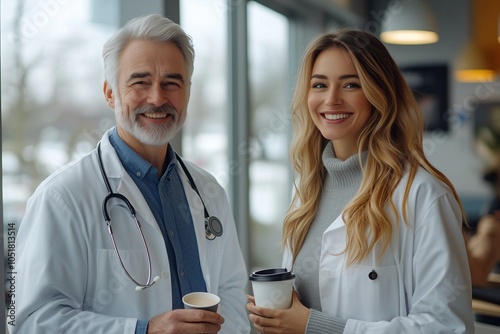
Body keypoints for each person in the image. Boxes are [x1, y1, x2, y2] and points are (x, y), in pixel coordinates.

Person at [11, 14, 250, 334]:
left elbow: (232, 293)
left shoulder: (208, 191)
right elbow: (34, 322)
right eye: (140, 82)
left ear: (187, 92)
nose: (157, 98)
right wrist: (144, 330)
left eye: (172, 83)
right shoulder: (62, 197)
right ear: (110, 93)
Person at [247, 29, 474, 333]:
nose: (331, 99)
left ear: (380, 93)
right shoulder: (306, 188)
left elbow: (447, 326)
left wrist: (318, 327)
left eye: (351, 84)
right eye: (319, 85)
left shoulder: (423, 195)